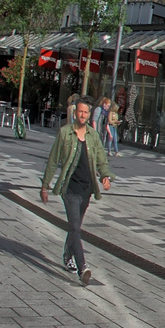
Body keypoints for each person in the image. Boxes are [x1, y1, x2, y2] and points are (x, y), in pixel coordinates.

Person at [39, 98, 113, 287]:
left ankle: (67, 254)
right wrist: (45, 185)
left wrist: (105, 176)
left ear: (89, 115)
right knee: (75, 228)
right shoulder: (65, 133)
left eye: (86, 112)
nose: (83, 115)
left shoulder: (93, 135)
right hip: (69, 189)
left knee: (75, 226)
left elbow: (101, 159)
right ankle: (83, 268)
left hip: (86, 189)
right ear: (75, 113)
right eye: (80, 112)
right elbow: (53, 159)